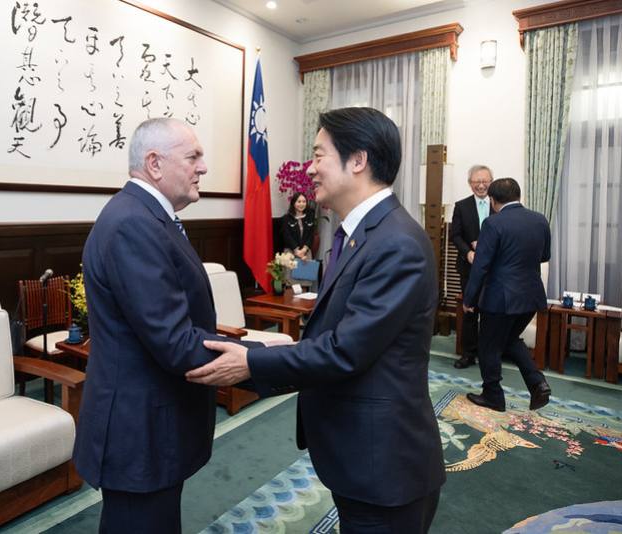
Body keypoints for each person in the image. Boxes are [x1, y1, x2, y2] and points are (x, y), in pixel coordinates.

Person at [187, 107, 445, 533]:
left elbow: (345, 351)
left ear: (357, 160)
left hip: (385, 465)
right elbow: (335, 336)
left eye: (319, 155)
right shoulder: (359, 235)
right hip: (359, 455)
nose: (310, 169)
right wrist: (264, 351)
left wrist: (249, 362)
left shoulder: (396, 243)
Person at [73, 118, 255, 533]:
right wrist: (266, 362)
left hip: (153, 421)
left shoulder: (147, 216)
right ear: (154, 163)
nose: (203, 167)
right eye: (193, 156)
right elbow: (173, 341)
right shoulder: (134, 223)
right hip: (140, 428)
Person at [462, 177, 551, 413]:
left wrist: (469, 299)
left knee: (488, 346)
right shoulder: (539, 220)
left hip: (500, 298)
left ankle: (493, 396)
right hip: (530, 295)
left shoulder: (493, 223)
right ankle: (537, 384)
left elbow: (481, 265)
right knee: (510, 340)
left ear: (493, 200)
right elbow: (545, 256)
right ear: (518, 196)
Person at [451, 165, 495, 369]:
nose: (481, 185)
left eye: (485, 181)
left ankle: (488, 353)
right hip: (468, 267)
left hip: (495, 269)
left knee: (491, 312)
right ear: (470, 184)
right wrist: (467, 252)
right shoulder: (461, 206)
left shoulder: (498, 206)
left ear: (491, 182)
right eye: (476, 181)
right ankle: (468, 354)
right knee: (469, 311)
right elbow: (455, 235)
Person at [279, 191, 316, 261]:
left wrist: (304, 250)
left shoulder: (310, 217)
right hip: (290, 252)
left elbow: (311, 235)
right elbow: (287, 236)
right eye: (299, 201)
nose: (301, 204)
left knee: (306, 272)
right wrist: (296, 250)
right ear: (293, 203)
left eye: (304, 201)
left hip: (306, 252)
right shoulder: (286, 218)